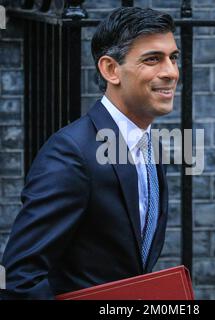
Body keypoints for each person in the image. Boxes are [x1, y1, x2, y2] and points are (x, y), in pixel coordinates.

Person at [0, 6, 179, 299]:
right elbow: (19, 278)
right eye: (152, 59)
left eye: (173, 58)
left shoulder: (149, 145)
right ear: (110, 69)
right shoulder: (71, 153)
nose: (171, 72)